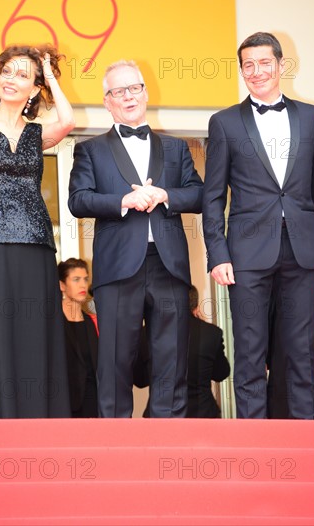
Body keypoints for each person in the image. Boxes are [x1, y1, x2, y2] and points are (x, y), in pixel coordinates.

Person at [68, 60, 204, 418]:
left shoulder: (175, 148)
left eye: (134, 88)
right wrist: (123, 201)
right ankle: (114, 446)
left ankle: (168, 444)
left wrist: (165, 195)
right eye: (118, 91)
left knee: (171, 361)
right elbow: (78, 200)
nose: (128, 96)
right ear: (107, 101)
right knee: (114, 361)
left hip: (169, 265)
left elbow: (199, 195)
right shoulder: (91, 149)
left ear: (145, 93)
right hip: (117, 269)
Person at [202, 32, 314, 419]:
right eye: (248, 65)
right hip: (246, 254)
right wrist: (217, 253)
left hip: (303, 251)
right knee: (250, 349)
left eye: (264, 63)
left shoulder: (312, 116)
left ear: (281, 65)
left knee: (301, 349)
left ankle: (308, 440)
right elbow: (213, 196)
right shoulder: (223, 123)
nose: (256, 72)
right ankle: (253, 442)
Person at [0, 44, 76, 418]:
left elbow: (69, 121)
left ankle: (38, 421)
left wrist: (49, 73)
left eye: (23, 75)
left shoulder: (37, 134)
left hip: (38, 247)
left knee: (34, 333)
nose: (12, 80)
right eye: (7, 71)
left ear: (35, 88)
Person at [135, 285, 231, 418]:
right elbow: (221, 373)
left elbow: (139, 380)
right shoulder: (211, 333)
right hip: (203, 416)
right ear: (196, 307)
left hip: (161, 417)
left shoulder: (147, 332)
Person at [58, 258, 98, 418]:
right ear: (62, 285)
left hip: (93, 404)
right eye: (76, 279)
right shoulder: (53, 324)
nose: (83, 285)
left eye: (85, 279)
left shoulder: (92, 322)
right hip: (64, 404)